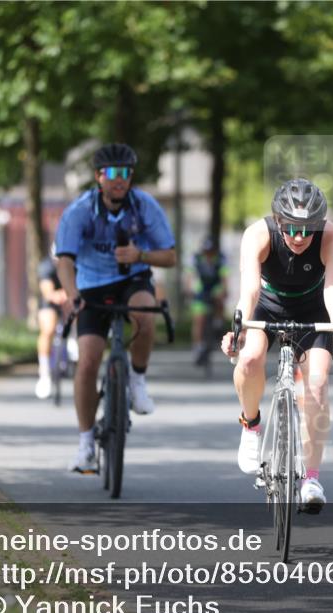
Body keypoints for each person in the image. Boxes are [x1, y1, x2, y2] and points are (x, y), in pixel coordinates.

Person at [221, 178, 333, 513]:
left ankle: (310, 478)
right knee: (251, 359)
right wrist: (238, 324)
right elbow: (250, 289)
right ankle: (251, 426)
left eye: (308, 230)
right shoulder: (258, 234)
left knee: (318, 384)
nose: (299, 237)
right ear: (279, 221)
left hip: (313, 310)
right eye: (292, 229)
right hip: (267, 306)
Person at [54, 143, 177, 473]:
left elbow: (170, 256)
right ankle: (84, 445)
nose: (119, 180)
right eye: (112, 173)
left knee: (145, 311)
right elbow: (64, 260)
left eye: (125, 173)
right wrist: (72, 294)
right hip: (92, 284)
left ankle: (136, 380)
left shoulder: (145, 207)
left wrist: (142, 256)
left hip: (133, 278)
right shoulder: (79, 210)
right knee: (89, 359)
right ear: (98, 177)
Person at [35, 244, 69, 399]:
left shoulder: (76, 264)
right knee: (48, 328)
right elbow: (48, 292)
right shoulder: (46, 267)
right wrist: (59, 295)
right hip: (51, 302)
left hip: (70, 298)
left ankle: (74, 342)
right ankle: (44, 373)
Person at [188, 237, 229, 363]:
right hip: (201, 288)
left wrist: (223, 291)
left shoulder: (221, 259)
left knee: (219, 296)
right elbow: (189, 277)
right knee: (198, 319)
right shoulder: (196, 259)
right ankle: (198, 346)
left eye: (211, 252)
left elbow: (224, 278)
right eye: (206, 252)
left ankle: (218, 323)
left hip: (215, 287)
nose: (208, 254)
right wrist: (189, 289)